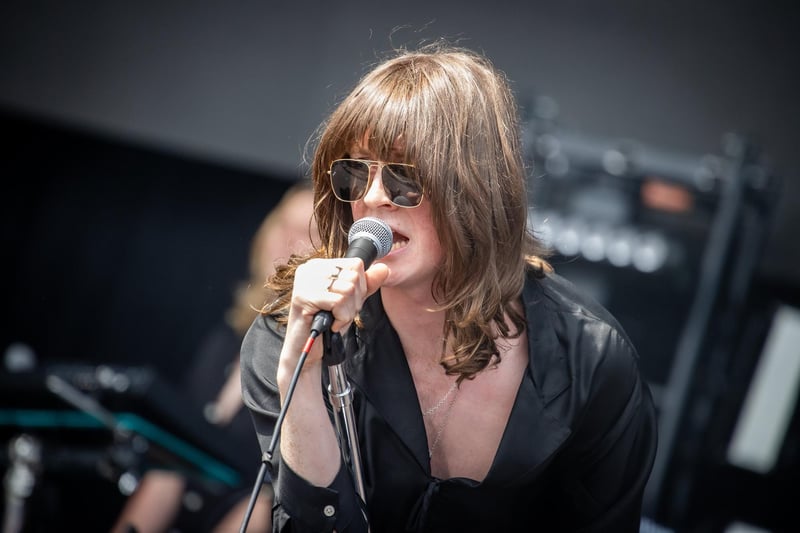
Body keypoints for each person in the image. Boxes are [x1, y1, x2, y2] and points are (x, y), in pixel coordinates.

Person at [240, 42, 658, 532]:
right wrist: (300, 378)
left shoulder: (591, 360)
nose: (373, 197)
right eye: (354, 172)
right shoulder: (290, 334)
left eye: (403, 177)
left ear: (473, 189)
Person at [112, 181, 316, 533]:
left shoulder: (316, 358)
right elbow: (175, 456)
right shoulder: (226, 339)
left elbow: (276, 496)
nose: (286, 239)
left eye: (303, 232)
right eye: (282, 224)